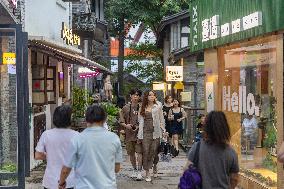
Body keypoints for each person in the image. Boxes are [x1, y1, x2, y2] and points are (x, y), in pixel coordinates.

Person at [58, 105, 123, 189]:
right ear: (104, 119)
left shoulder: (77, 139)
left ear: (86, 119)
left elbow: (65, 169)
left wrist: (61, 183)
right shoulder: (114, 138)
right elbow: (116, 168)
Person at [185, 111, 239, 189]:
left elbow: (187, 171)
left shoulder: (197, 147)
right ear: (225, 127)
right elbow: (234, 179)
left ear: (206, 127)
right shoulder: (231, 152)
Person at [35, 105, 78, 189]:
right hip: (69, 181)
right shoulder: (76, 135)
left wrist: (50, 155)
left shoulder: (47, 134)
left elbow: (37, 155)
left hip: (50, 181)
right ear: (69, 119)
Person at [138, 90, 166, 182]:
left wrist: (164, 130)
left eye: (153, 95)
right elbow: (140, 120)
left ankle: (155, 165)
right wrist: (139, 134)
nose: (152, 97)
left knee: (154, 151)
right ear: (146, 96)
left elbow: (161, 119)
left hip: (156, 132)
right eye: (150, 95)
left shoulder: (158, 106)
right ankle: (147, 172)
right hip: (145, 132)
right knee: (146, 151)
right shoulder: (142, 106)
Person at [119, 89, 143, 180]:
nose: (135, 96)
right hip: (129, 134)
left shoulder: (142, 107)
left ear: (139, 96)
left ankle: (140, 171)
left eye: (137, 95)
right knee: (131, 153)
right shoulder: (125, 108)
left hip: (139, 134)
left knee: (139, 152)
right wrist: (126, 125)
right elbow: (121, 121)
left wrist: (139, 126)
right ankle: (134, 169)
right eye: (134, 95)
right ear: (130, 96)